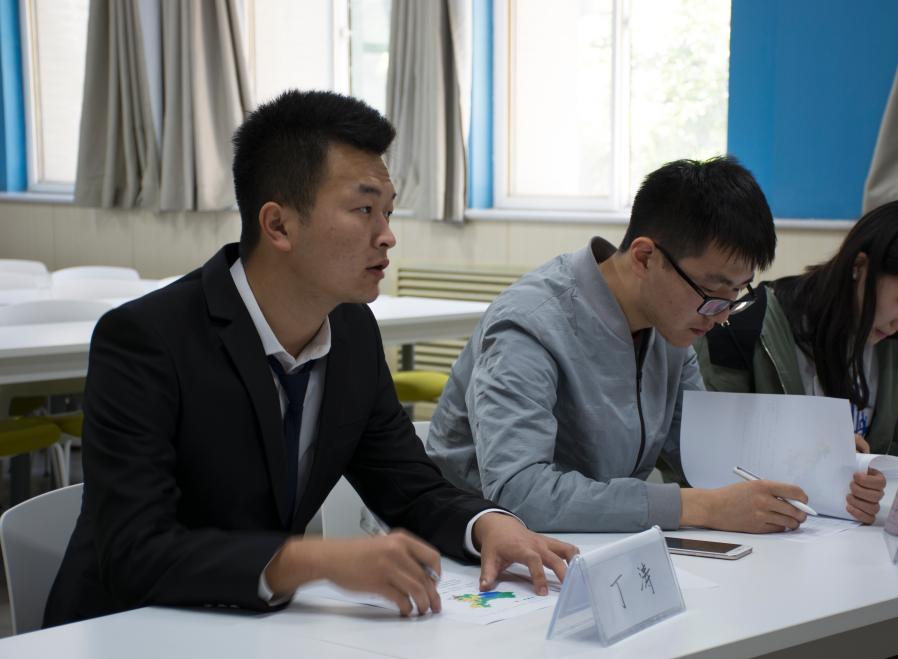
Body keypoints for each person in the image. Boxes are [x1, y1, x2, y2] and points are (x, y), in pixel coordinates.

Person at [44, 90, 576, 628]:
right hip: (123, 633)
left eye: (388, 211)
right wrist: (315, 560)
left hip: (253, 633)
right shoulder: (147, 339)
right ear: (278, 225)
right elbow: (134, 551)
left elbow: (407, 485)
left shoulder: (351, 330)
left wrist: (486, 524)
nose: (387, 236)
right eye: (363, 209)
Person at [426, 157, 884, 534]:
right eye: (712, 292)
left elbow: (701, 450)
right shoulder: (531, 324)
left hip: (598, 544)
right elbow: (520, 492)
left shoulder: (670, 326)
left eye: (736, 294)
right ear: (645, 257)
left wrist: (816, 460)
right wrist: (698, 507)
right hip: (474, 552)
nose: (722, 315)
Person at [695, 197, 898, 659]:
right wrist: (816, 462)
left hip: (864, 552)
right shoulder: (744, 326)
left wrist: (871, 471)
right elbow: (702, 459)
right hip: (768, 557)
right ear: (860, 267)